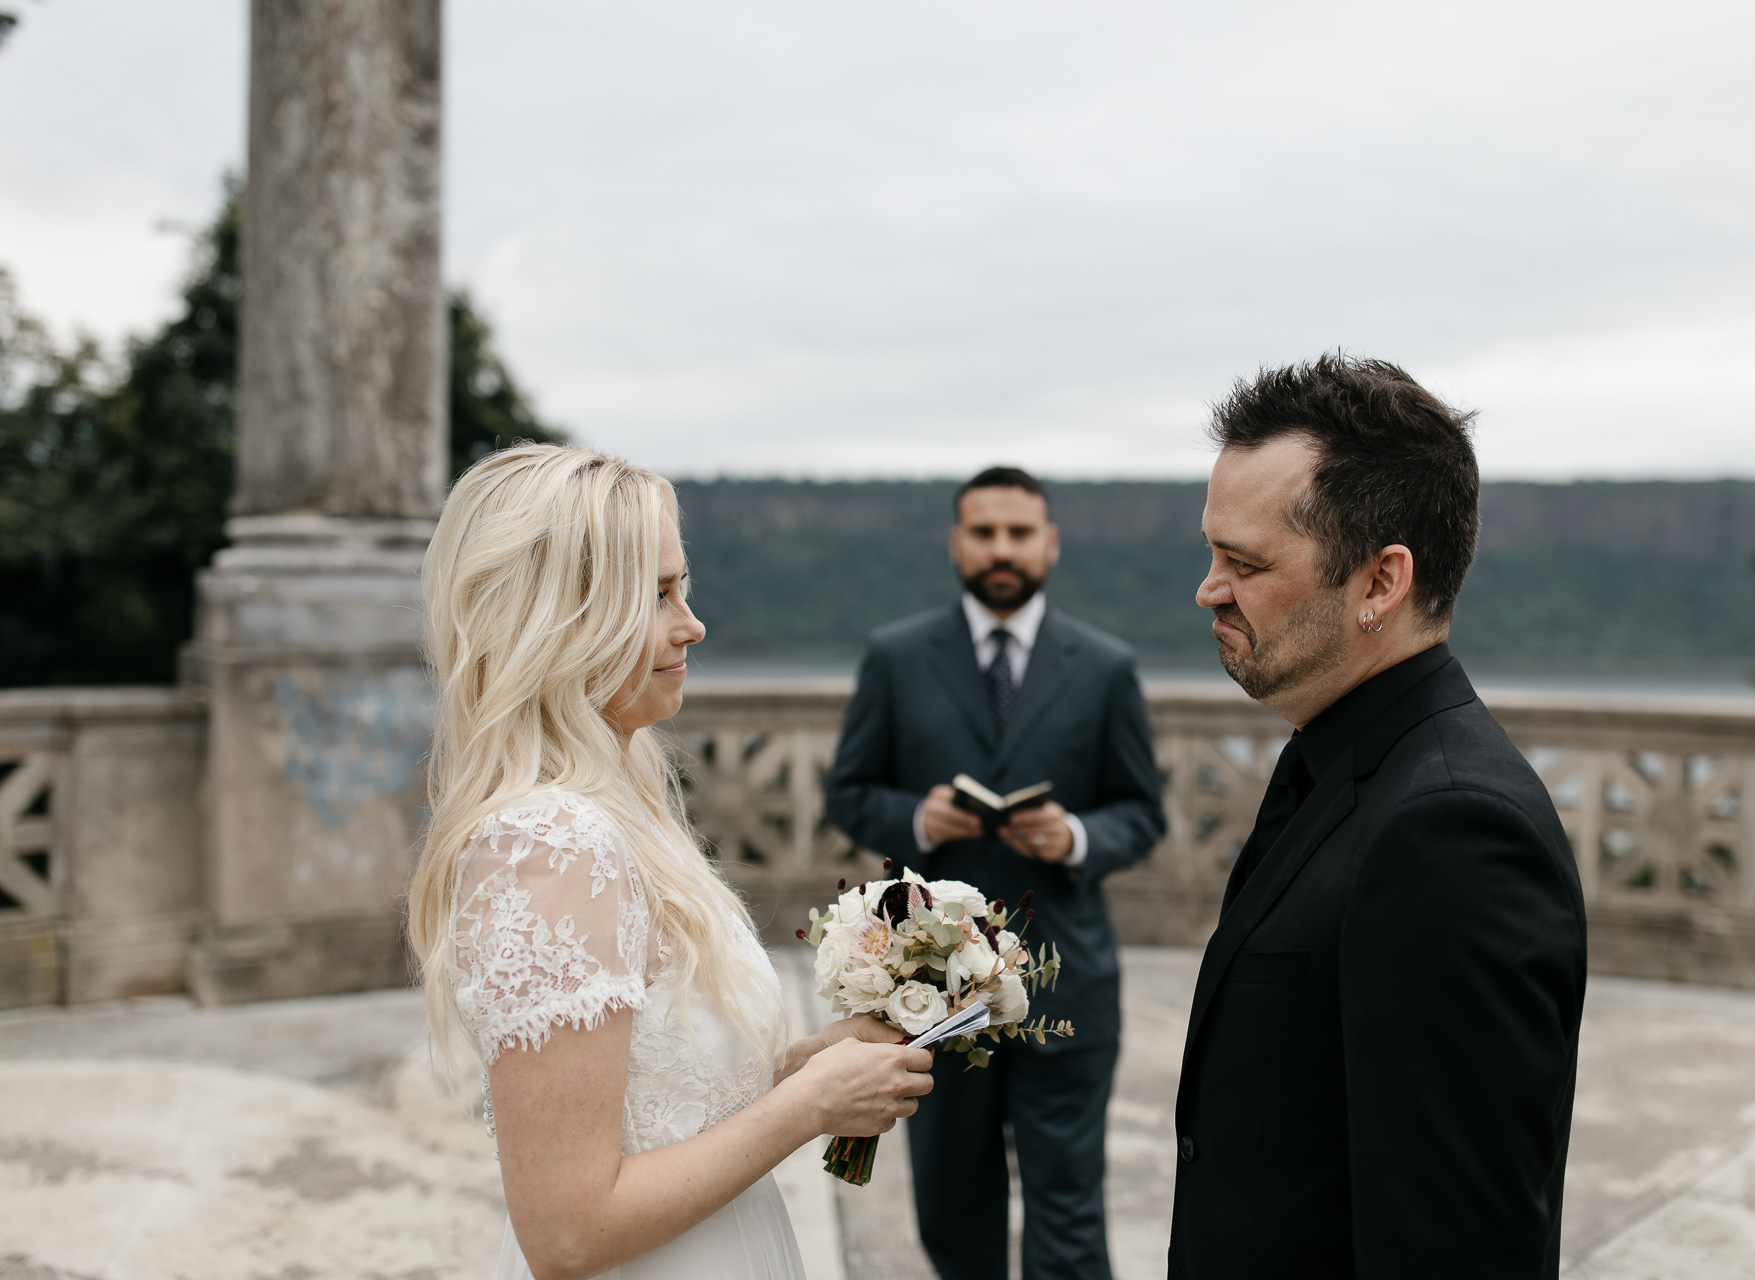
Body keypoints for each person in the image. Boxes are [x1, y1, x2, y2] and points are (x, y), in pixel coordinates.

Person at [406, 444, 935, 1280]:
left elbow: (656, 1095)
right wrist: (807, 1109)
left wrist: (803, 1065)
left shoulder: (623, 794)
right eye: (658, 596)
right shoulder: (550, 843)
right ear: (560, 619)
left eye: (681, 587)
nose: (692, 623)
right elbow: (566, 1231)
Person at [1168, 356, 1587, 1278]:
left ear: (1379, 584)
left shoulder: (1452, 831)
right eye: (1212, 552)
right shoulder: (1342, 758)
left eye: (1245, 563)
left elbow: (1460, 1247)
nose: (1209, 588)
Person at [825, 465, 1167, 1280]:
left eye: (1019, 533)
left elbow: (1141, 813)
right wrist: (917, 820)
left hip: (1070, 983)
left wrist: (1075, 837)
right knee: (951, 1209)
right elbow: (848, 791)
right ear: (957, 543)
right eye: (984, 533)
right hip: (933, 991)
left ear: (1050, 544)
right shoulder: (897, 656)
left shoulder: (1105, 665)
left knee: (1069, 1211)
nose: (1001, 549)